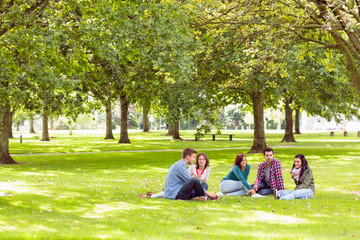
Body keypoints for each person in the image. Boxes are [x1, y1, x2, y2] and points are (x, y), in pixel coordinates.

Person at [141, 148, 217, 201]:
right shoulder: (180, 166)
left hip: (178, 190)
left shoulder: (181, 164)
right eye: (193, 157)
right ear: (188, 157)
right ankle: (205, 196)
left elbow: (187, 181)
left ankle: (198, 197)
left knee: (204, 185)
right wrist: (207, 192)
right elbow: (190, 180)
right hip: (176, 194)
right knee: (195, 180)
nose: (194, 160)